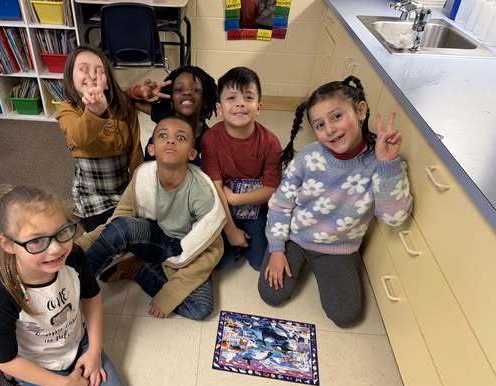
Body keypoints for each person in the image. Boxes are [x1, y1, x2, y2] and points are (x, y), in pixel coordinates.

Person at [259, 76, 413, 327]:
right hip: (295, 238)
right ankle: (286, 255)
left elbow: (394, 217)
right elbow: (279, 206)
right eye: (320, 125)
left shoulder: (380, 161)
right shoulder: (307, 158)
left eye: (337, 116)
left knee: (346, 316)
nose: (329, 129)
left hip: (340, 247)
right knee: (271, 294)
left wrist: (388, 165)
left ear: (361, 110)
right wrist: (277, 249)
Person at [0, 185, 127, 386]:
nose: (56, 249)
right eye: (36, 241)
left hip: (76, 344)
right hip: (36, 366)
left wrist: (93, 352)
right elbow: (7, 361)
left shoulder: (74, 258)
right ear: (8, 244)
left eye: (61, 233)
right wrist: (64, 385)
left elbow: (92, 298)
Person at [86, 116, 225, 320]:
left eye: (180, 138)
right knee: (121, 227)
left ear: (191, 153)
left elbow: (212, 251)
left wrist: (169, 295)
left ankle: (138, 269)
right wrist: (80, 246)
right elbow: (117, 220)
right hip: (155, 235)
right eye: (163, 136)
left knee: (200, 308)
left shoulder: (201, 192)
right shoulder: (143, 175)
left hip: (187, 250)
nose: (170, 141)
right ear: (151, 149)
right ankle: (81, 281)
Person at [201, 66, 282, 271]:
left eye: (248, 97)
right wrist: (230, 231)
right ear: (219, 108)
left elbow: (271, 189)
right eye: (231, 98)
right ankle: (237, 241)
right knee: (222, 263)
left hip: (256, 210)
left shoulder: (271, 142)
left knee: (259, 263)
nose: (240, 103)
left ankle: (248, 241)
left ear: (259, 107)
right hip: (223, 210)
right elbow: (216, 189)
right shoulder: (210, 140)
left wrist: (235, 198)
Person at [56, 45, 143, 233]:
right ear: (70, 76)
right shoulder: (67, 109)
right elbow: (78, 137)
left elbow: (136, 151)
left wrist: (137, 190)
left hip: (123, 189)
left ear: (108, 80)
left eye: (99, 70)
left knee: (140, 226)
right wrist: (94, 111)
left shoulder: (124, 105)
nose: (92, 75)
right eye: (83, 69)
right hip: (91, 196)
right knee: (110, 236)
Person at [129, 65, 218, 166]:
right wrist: (139, 92)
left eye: (195, 89)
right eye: (179, 89)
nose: (187, 93)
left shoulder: (209, 139)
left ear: (205, 101)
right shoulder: (165, 115)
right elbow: (124, 101)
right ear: (171, 101)